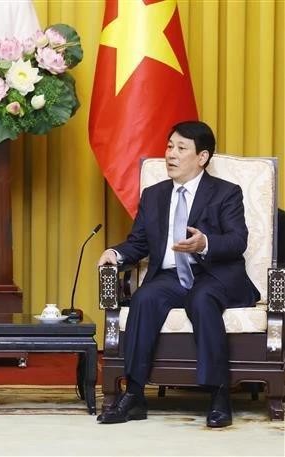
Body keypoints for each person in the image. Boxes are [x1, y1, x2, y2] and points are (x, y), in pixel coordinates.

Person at [96, 121, 259, 428]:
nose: (171, 154)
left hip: (214, 274)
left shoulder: (225, 193)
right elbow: (139, 243)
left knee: (202, 298)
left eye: (181, 148)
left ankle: (219, 394)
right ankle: (134, 395)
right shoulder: (155, 194)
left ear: (202, 157)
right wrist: (115, 254)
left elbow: (238, 241)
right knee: (144, 297)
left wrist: (205, 242)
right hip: (172, 276)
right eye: (170, 146)